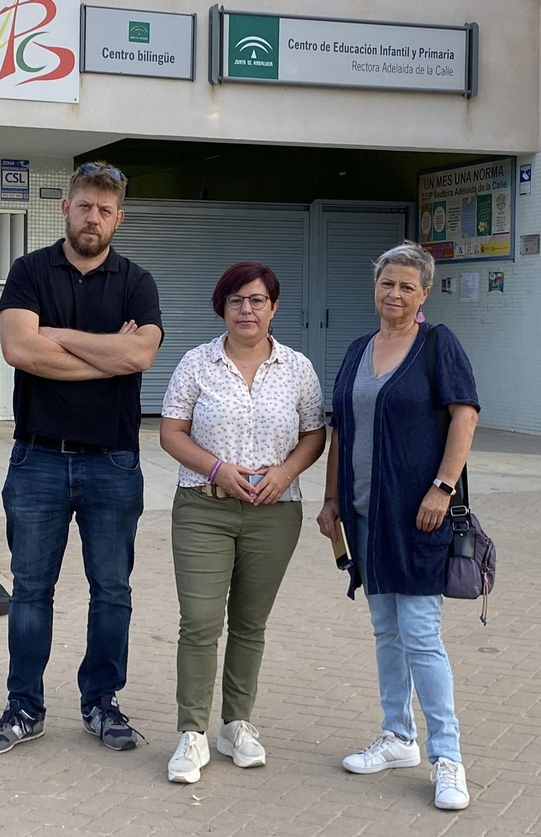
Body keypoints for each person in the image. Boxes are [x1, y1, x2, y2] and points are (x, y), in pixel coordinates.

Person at [0, 161, 164, 756]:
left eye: (106, 210)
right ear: (66, 207)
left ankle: (102, 703)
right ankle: (23, 707)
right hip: (38, 461)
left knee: (112, 589)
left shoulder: (137, 280)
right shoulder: (29, 271)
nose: (94, 217)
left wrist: (56, 338)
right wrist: (108, 353)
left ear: (119, 217)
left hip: (112, 462)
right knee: (31, 589)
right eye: (85, 205)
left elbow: (140, 358)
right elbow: (17, 347)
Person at [317, 242, 480, 811]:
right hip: (364, 514)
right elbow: (343, 429)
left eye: (407, 286)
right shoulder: (360, 349)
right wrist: (333, 496)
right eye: (388, 282)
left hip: (418, 513)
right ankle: (397, 736)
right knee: (385, 629)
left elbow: (465, 415)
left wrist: (442, 485)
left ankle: (448, 757)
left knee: (420, 634)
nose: (395, 294)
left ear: (424, 293)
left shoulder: (439, 345)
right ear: (376, 285)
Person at [157, 262, 326, 784]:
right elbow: (170, 432)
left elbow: (314, 434)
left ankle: (236, 725)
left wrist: (287, 471)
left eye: (256, 300)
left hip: (274, 513)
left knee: (251, 624)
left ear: (273, 307)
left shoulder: (298, 368)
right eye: (236, 300)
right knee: (201, 623)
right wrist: (217, 468)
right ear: (221, 308)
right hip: (203, 507)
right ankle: (191, 732)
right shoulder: (196, 363)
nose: (246, 310)